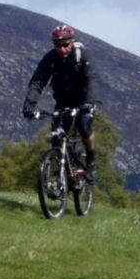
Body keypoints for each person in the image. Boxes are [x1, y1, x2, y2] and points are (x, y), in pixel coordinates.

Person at [22, 25, 99, 181]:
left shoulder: (82, 56)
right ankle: (58, 178)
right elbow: (38, 81)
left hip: (84, 100)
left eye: (65, 45)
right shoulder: (50, 59)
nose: (62, 49)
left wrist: (89, 102)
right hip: (64, 101)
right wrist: (29, 106)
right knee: (57, 138)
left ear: (72, 42)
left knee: (84, 126)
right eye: (58, 45)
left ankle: (91, 159)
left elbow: (92, 79)